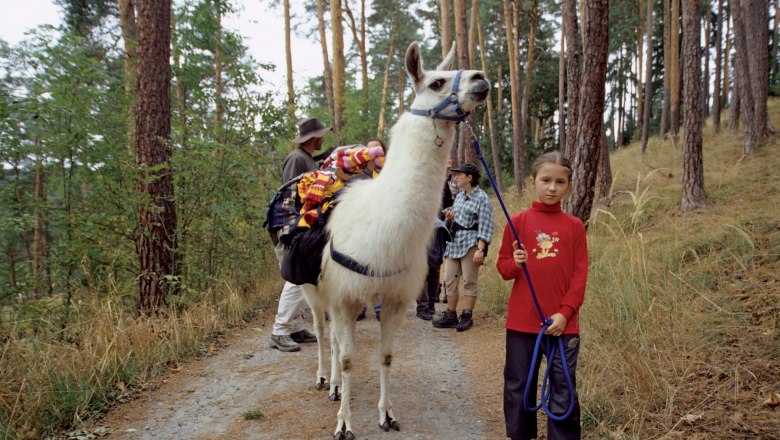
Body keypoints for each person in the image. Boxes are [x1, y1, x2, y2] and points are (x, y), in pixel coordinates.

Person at [496, 152, 588, 439]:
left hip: (563, 324)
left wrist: (565, 313)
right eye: (546, 180)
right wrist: (516, 263)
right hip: (523, 323)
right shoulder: (518, 222)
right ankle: (520, 435)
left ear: (568, 186)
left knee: (564, 386)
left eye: (560, 182)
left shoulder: (574, 226)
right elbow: (503, 267)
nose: (552, 187)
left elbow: (579, 274)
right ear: (533, 181)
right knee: (518, 384)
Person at [270, 117, 331, 352]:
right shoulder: (297, 159)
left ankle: (293, 327)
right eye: (321, 135)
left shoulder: (305, 158)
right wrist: (300, 226)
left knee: (302, 275)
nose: (323, 138)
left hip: (302, 223)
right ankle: (280, 330)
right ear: (314, 138)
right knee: (297, 276)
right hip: (293, 226)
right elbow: (291, 194)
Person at [432, 162, 494, 332]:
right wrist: (450, 217)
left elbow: (485, 225)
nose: (455, 177)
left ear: (469, 177)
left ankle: (467, 315)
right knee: (449, 279)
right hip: (455, 243)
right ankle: (451, 314)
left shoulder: (482, 199)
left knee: (469, 280)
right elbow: (454, 220)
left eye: (459, 174)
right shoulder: (459, 197)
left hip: (471, 244)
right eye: (455, 174)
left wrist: (480, 249)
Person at [415, 217, 450, 320]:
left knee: (429, 270)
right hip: (434, 224)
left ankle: (426, 306)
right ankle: (427, 306)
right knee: (427, 270)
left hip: (433, 226)